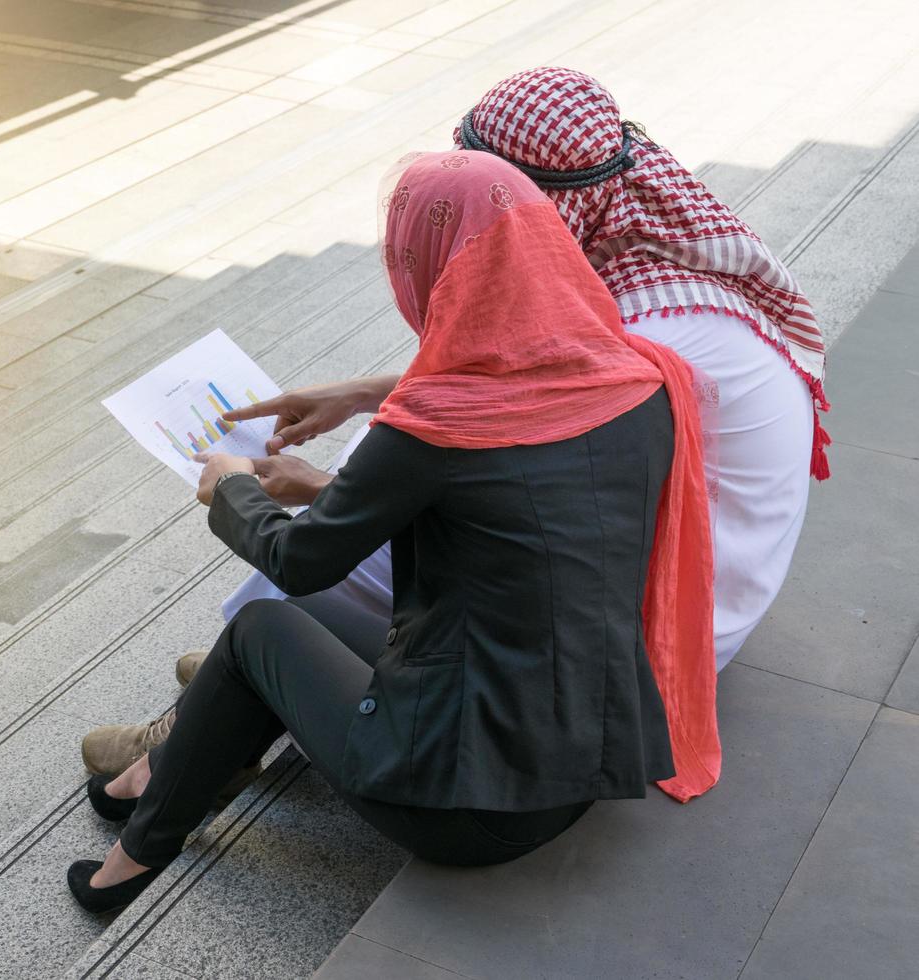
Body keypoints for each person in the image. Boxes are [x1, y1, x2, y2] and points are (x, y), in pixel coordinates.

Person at [80, 67, 826, 781]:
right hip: (683, 574)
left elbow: (485, 457)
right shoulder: (647, 264)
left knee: (336, 567)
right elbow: (551, 378)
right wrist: (365, 393)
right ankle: (250, 678)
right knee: (391, 493)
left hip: (663, 632)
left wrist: (330, 491)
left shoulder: (663, 333)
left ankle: (205, 727)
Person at [67, 150, 719, 914]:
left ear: (424, 265)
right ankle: (151, 775)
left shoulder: (435, 428)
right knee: (300, 631)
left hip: (465, 807)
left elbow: (300, 561)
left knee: (260, 627)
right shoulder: (635, 380)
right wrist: (340, 458)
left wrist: (233, 491)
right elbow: (502, 503)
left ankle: (133, 858)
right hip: (584, 757)